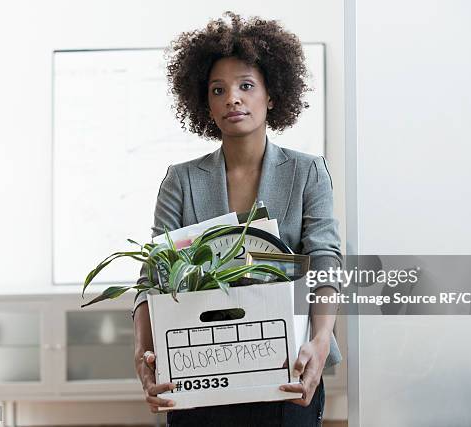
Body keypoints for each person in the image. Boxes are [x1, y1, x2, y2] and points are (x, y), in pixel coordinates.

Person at [132, 12, 343, 427]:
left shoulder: (307, 172)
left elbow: (325, 259)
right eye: (218, 89)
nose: (233, 98)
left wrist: (320, 341)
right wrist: (144, 353)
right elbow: (154, 273)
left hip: (287, 368)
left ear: (272, 96)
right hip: (199, 369)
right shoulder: (182, 180)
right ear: (205, 104)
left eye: (246, 85)